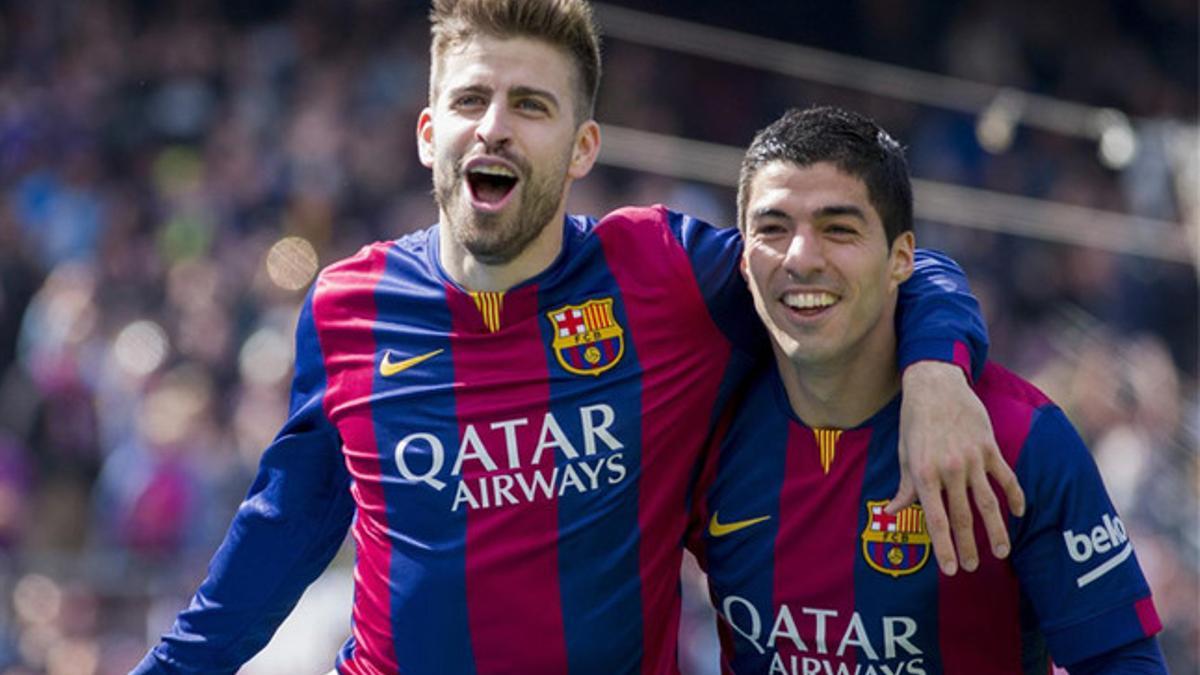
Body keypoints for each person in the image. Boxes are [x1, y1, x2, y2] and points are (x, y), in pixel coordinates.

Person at [132, 3, 1021, 673]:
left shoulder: (668, 273)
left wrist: (938, 375)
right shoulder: (344, 305)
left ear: (583, 144)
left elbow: (883, 269)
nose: (494, 125)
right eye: (471, 98)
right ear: (428, 131)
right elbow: (282, 528)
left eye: (530, 105)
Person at [688, 106, 1166, 674]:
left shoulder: (1017, 438)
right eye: (772, 228)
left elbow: (1121, 659)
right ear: (742, 258)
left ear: (902, 260)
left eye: (839, 229)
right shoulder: (700, 423)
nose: (801, 258)